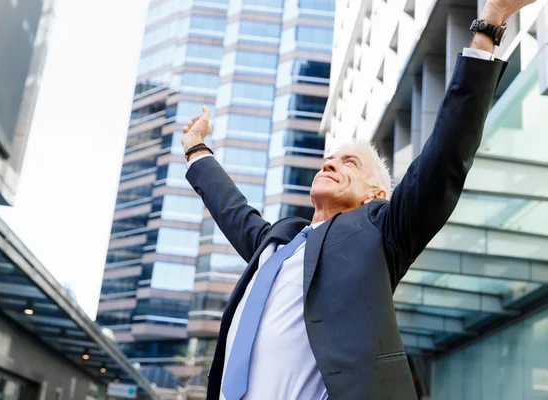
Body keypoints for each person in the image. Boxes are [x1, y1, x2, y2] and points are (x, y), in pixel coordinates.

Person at [181, 0, 533, 397]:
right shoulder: (276, 243)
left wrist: (490, 25)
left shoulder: (381, 231)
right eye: (328, 159)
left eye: (348, 163)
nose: (329, 164)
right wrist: (196, 150)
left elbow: (445, 155)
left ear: (376, 195)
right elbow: (233, 210)